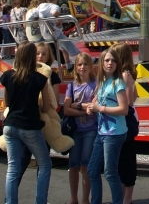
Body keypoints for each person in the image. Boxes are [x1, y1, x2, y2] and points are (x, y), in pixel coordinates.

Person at [0, 42, 52, 204]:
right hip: (30, 126)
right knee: (45, 165)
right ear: (32, 57)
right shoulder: (40, 79)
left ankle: (10, 202)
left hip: (10, 125)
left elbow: (7, 103)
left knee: (13, 168)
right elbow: (46, 107)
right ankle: (40, 201)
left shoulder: (7, 76)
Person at [87, 48, 129, 204]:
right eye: (107, 60)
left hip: (114, 133)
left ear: (117, 63)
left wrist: (100, 108)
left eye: (113, 60)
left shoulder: (118, 83)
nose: (110, 63)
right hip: (102, 132)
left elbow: (124, 109)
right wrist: (91, 107)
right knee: (92, 170)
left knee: (110, 173)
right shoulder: (102, 82)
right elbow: (96, 101)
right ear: (101, 63)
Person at [64, 53, 98, 204]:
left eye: (85, 64)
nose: (82, 67)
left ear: (91, 66)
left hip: (91, 129)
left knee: (85, 165)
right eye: (79, 64)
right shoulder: (72, 86)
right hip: (75, 129)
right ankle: (73, 198)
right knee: (73, 165)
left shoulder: (96, 84)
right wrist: (84, 109)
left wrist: (76, 105)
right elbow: (66, 109)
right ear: (76, 68)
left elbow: (95, 106)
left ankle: (85, 199)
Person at [111, 43, 138, 204]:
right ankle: (121, 197)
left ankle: (127, 198)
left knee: (127, 160)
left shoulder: (125, 75)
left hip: (125, 120)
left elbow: (128, 102)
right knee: (120, 160)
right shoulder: (121, 74)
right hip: (120, 118)